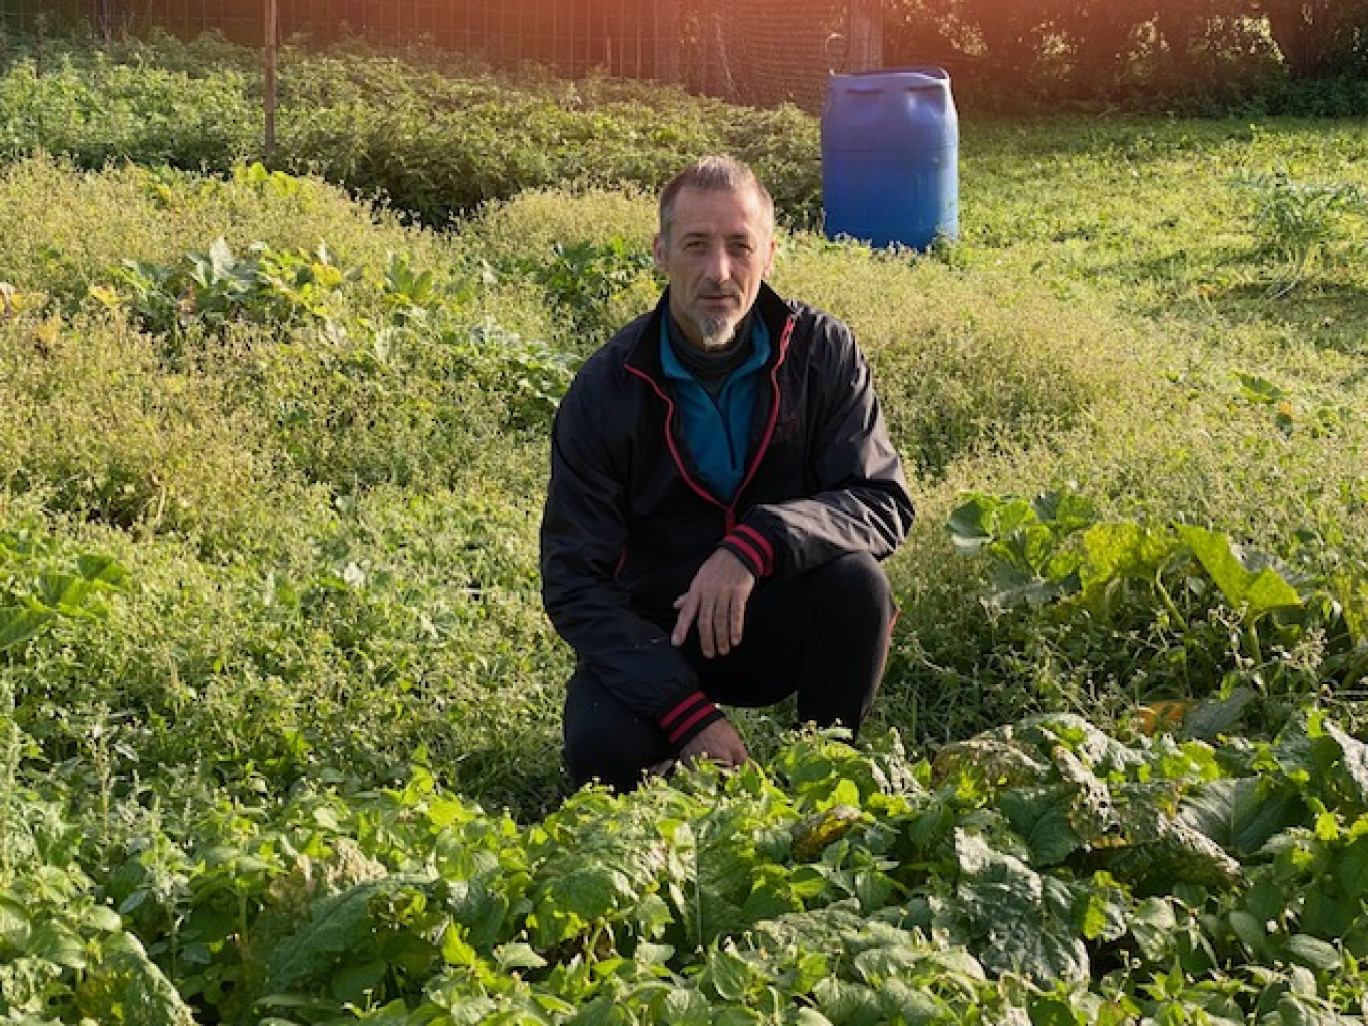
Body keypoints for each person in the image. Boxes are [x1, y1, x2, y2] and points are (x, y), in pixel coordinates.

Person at [540, 155, 914, 791]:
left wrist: (755, 544)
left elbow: (882, 499)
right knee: (601, 752)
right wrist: (688, 717)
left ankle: (822, 778)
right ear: (660, 253)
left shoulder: (823, 351)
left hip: (780, 614)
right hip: (661, 632)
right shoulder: (605, 388)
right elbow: (576, 580)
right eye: (695, 246)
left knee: (858, 585)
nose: (719, 272)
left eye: (740, 246)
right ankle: (687, 787)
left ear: (769, 253)